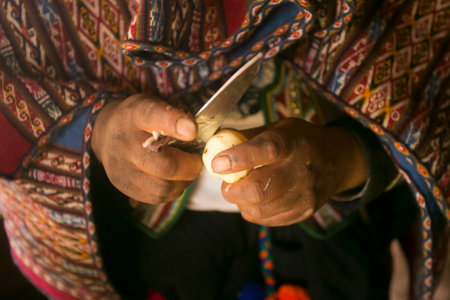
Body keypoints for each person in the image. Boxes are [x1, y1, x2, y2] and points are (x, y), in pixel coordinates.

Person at [0, 0, 448, 299]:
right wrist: (94, 132)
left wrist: (346, 158)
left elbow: (421, 59)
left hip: (338, 215)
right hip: (141, 235)